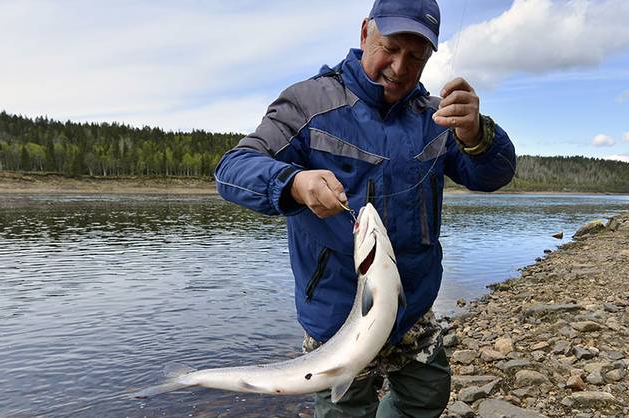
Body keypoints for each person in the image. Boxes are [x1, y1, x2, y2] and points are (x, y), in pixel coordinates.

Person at [215, 0, 516, 416]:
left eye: (416, 57)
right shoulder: (307, 103)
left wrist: (478, 134)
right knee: (344, 408)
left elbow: (492, 176)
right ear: (364, 33)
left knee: (427, 393)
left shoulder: (437, 117)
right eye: (389, 48)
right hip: (337, 313)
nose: (399, 67)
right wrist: (295, 183)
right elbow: (232, 170)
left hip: (412, 307)